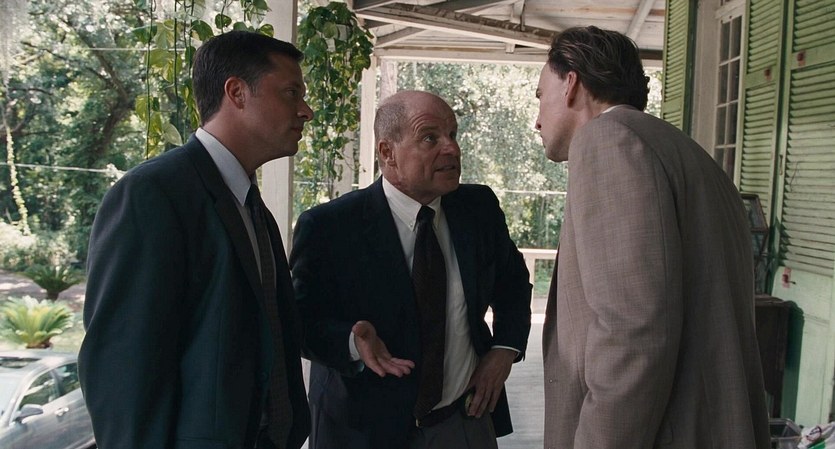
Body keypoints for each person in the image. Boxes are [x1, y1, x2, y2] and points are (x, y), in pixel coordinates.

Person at [535, 26, 771, 449]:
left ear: (571, 83)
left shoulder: (607, 141)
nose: (537, 118)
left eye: (540, 96)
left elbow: (632, 331)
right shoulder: (688, 154)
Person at [79, 31, 313, 449]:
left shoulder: (252, 207)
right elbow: (123, 369)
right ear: (236, 93)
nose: (305, 111)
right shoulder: (153, 194)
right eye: (291, 93)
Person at [290, 90, 532, 449]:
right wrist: (352, 342)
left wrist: (504, 349)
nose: (452, 148)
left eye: (453, 134)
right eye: (430, 138)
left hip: (462, 420)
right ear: (387, 153)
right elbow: (299, 321)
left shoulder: (478, 209)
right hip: (362, 429)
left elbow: (513, 285)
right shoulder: (330, 227)